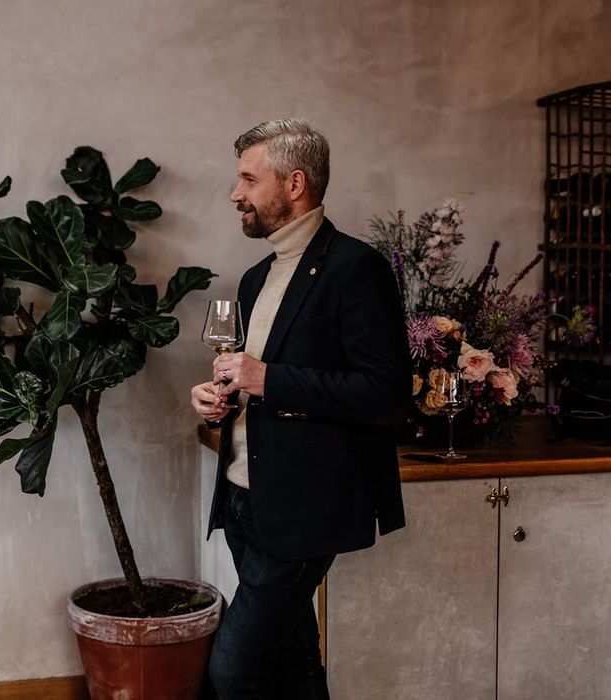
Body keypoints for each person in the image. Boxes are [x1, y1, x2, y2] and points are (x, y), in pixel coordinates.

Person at [190, 118, 412, 700]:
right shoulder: (256, 276)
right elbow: (254, 385)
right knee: (293, 661)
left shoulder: (355, 268)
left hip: (304, 508)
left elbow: (386, 395)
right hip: (241, 499)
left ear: (294, 184)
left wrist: (268, 378)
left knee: (231, 671)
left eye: (247, 178)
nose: (235, 193)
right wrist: (219, 402)